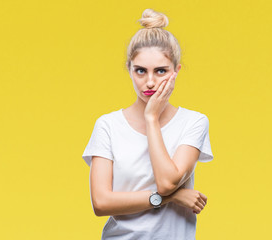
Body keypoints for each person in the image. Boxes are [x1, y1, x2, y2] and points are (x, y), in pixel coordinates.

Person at [81, 8, 214, 240]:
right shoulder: (108, 126)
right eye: (140, 71)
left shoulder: (194, 122)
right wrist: (170, 198)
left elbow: (167, 181)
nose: (150, 82)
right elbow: (101, 203)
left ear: (176, 71)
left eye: (161, 71)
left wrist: (151, 118)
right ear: (129, 70)